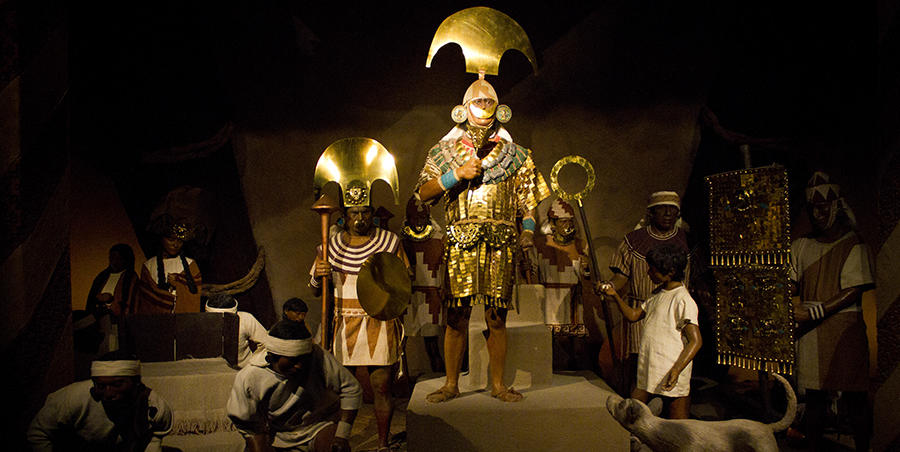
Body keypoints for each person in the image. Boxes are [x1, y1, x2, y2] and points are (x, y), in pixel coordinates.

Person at [416, 78, 550, 403]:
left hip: (501, 245)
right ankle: (451, 383)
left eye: (489, 102)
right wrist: (456, 175)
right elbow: (422, 193)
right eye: (477, 102)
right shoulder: (444, 151)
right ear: (463, 109)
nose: (483, 108)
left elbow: (528, 203)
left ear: (499, 109)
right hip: (461, 243)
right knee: (457, 317)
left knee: (497, 317)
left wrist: (528, 232)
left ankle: (498, 385)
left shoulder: (517, 156)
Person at [310, 203, 410, 451]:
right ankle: (340, 439)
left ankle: (383, 444)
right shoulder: (330, 247)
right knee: (343, 388)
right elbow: (314, 290)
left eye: (365, 211)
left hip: (379, 321)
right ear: (344, 216)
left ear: (373, 215)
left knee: (382, 386)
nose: (360, 218)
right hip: (344, 322)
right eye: (354, 212)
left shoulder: (389, 241)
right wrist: (318, 274)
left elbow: (403, 280)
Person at [790, 172, 874, 452]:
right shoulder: (801, 246)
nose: (816, 214)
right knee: (815, 399)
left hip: (844, 332)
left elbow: (855, 288)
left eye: (822, 208)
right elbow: (791, 283)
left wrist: (813, 312)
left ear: (836, 207)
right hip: (811, 334)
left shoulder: (853, 243)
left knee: (855, 398)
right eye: (812, 208)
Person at [600, 191, 710, 393]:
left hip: (673, 313)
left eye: (672, 209)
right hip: (643, 306)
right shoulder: (633, 241)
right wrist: (612, 288)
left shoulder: (688, 243)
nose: (668, 213)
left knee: (671, 355)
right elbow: (621, 276)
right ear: (650, 213)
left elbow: (699, 281)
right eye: (662, 208)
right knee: (639, 361)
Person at [599, 243, 702, 420]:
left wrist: (677, 369)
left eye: (652, 270)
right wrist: (614, 295)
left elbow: (696, 341)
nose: (648, 273)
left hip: (671, 367)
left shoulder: (682, 299)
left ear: (670, 271)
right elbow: (633, 315)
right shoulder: (658, 294)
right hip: (651, 364)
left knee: (678, 419)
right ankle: (633, 440)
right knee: (633, 409)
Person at [227, 320, 362, 452]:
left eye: (303, 359)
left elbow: (351, 389)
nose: (299, 365)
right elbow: (249, 425)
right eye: (292, 360)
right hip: (277, 433)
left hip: (317, 425)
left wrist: (342, 435)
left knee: (335, 447)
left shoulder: (317, 356)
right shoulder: (250, 377)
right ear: (272, 357)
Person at [27, 351, 173, 452]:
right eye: (101, 386)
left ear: (137, 385)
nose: (108, 394)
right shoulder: (72, 399)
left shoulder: (154, 407)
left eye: (117, 385)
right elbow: (38, 434)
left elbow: (153, 439)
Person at [528, 198, 592, 371]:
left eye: (570, 221)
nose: (568, 226)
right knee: (545, 346)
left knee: (578, 347)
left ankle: (579, 375)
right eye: (563, 222)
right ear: (553, 223)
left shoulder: (580, 245)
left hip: (572, 299)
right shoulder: (540, 244)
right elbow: (532, 273)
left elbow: (586, 277)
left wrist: (586, 269)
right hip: (548, 300)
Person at [400, 195, 446, 373]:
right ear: (408, 218)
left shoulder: (439, 240)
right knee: (400, 346)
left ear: (428, 218)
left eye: (422, 218)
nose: (418, 222)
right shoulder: (400, 243)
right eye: (414, 218)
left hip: (431, 299)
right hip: (407, 299)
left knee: (432, 346)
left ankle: (440, 381)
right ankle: (403, 384)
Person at [134, 215, 202, 314]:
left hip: (181, 319)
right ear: (162, 239)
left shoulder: (190, 264)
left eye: (179, 241)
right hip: (157, 320)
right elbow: (145, 301)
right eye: (171, 240)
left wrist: (179, 283)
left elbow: (196, 294)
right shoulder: (149, 266)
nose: (175, 245)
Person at [205, 293, 268, 369]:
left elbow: (266, 342)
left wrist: (254, 363)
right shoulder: (201, 322)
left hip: (242, 368)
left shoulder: (246, 319)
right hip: (210, 369)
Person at [86, 243, 139, 318]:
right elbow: (91, 300)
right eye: (112, 258)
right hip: (99, 318)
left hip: (119, 320)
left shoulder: (130, 278)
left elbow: (132, 303)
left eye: (119, 258)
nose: (115, 262)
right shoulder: (102, 277)